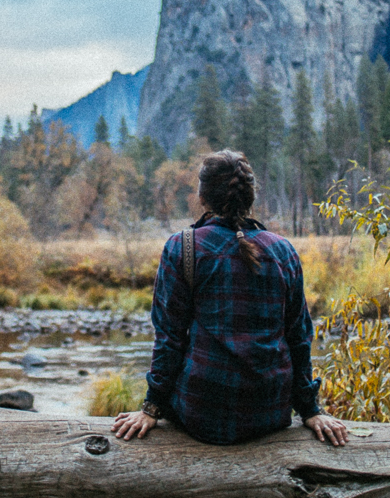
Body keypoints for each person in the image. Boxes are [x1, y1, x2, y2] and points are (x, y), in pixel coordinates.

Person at [110, 150, 348, 446]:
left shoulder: (183, 248)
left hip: (202, 412)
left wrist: (151, 408)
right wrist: (310, 409)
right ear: (249, 198)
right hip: (268, 412)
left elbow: (169, 336)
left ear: (202, 197)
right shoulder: (283, 250)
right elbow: (298, 336)